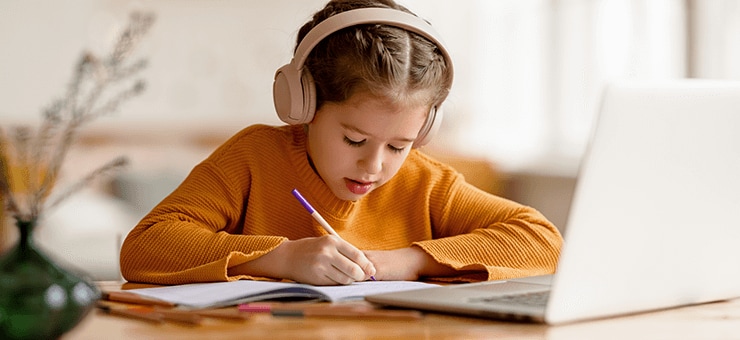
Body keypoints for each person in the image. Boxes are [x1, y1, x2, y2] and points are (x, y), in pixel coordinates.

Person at [120, 0, 562, 286]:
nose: (374, 165)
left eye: (398, 146)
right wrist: (282, 257)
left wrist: (409, 261)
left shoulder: (426, 183)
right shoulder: (253, 157)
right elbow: (146, 245)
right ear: (303, 104)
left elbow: (542, 241)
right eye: (355, 139)